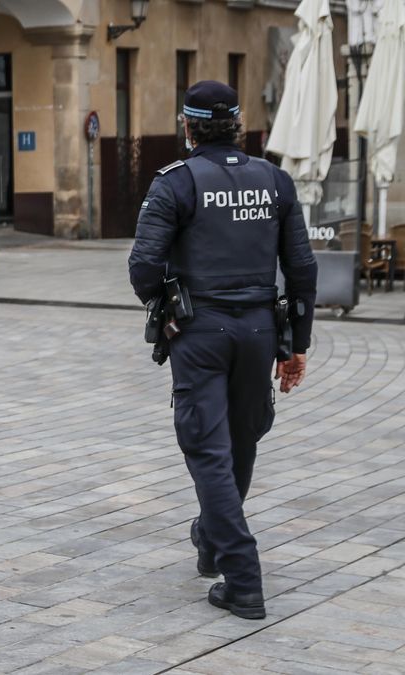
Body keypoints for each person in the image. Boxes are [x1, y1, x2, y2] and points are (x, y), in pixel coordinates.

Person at [128, 80, 317, 620]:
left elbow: (143, 266)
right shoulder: (274, 180)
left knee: (208, 446)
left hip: (199, 329)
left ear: (186, 127)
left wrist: (164, 309)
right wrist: (296, 344)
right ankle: (211, 538)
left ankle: (243, 574)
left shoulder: (176, 182)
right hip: (261, 330)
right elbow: (302, 268)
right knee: (241, 437)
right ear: (238, 124)